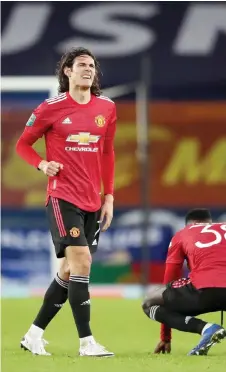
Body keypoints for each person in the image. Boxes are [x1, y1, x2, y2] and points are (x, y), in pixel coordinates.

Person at [16, 47, 116, 357]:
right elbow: (23, 145)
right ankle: (87, 342)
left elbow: (107, 153)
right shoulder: (51, 107)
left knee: (70, 271)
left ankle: (33, 335)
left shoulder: (107, 108)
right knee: (82, 262)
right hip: (62, 198)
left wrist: (108, 196)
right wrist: (42, 165)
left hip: (92, 201)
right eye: (82, 65)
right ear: (67, 72)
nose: (88, 69)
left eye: (92, 65)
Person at [142, 209, 226, 356]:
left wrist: (165, 336)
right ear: (210, 223)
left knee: (150, 301)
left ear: (190, 224)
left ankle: (206, 328)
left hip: (204, 290)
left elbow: (169, 282)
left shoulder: (183, 234)